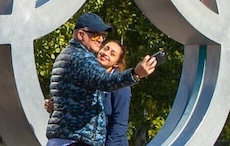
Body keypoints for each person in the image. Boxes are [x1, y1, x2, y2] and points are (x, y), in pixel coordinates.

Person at [48, 12, 157, 146]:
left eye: (103, 36)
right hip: (75, 140)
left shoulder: (68, 55)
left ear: (117, 63)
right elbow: (104, 81)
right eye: (95, 35)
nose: (100, 39)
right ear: (80, 35)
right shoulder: (81, 58)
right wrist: (135, 73)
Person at [96, 42, 131, 146]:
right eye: (105, 48)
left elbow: (119, 122)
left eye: (112, 54)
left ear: (117, 63)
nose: (105, 53)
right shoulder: (88, 76)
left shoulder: (121, 85)